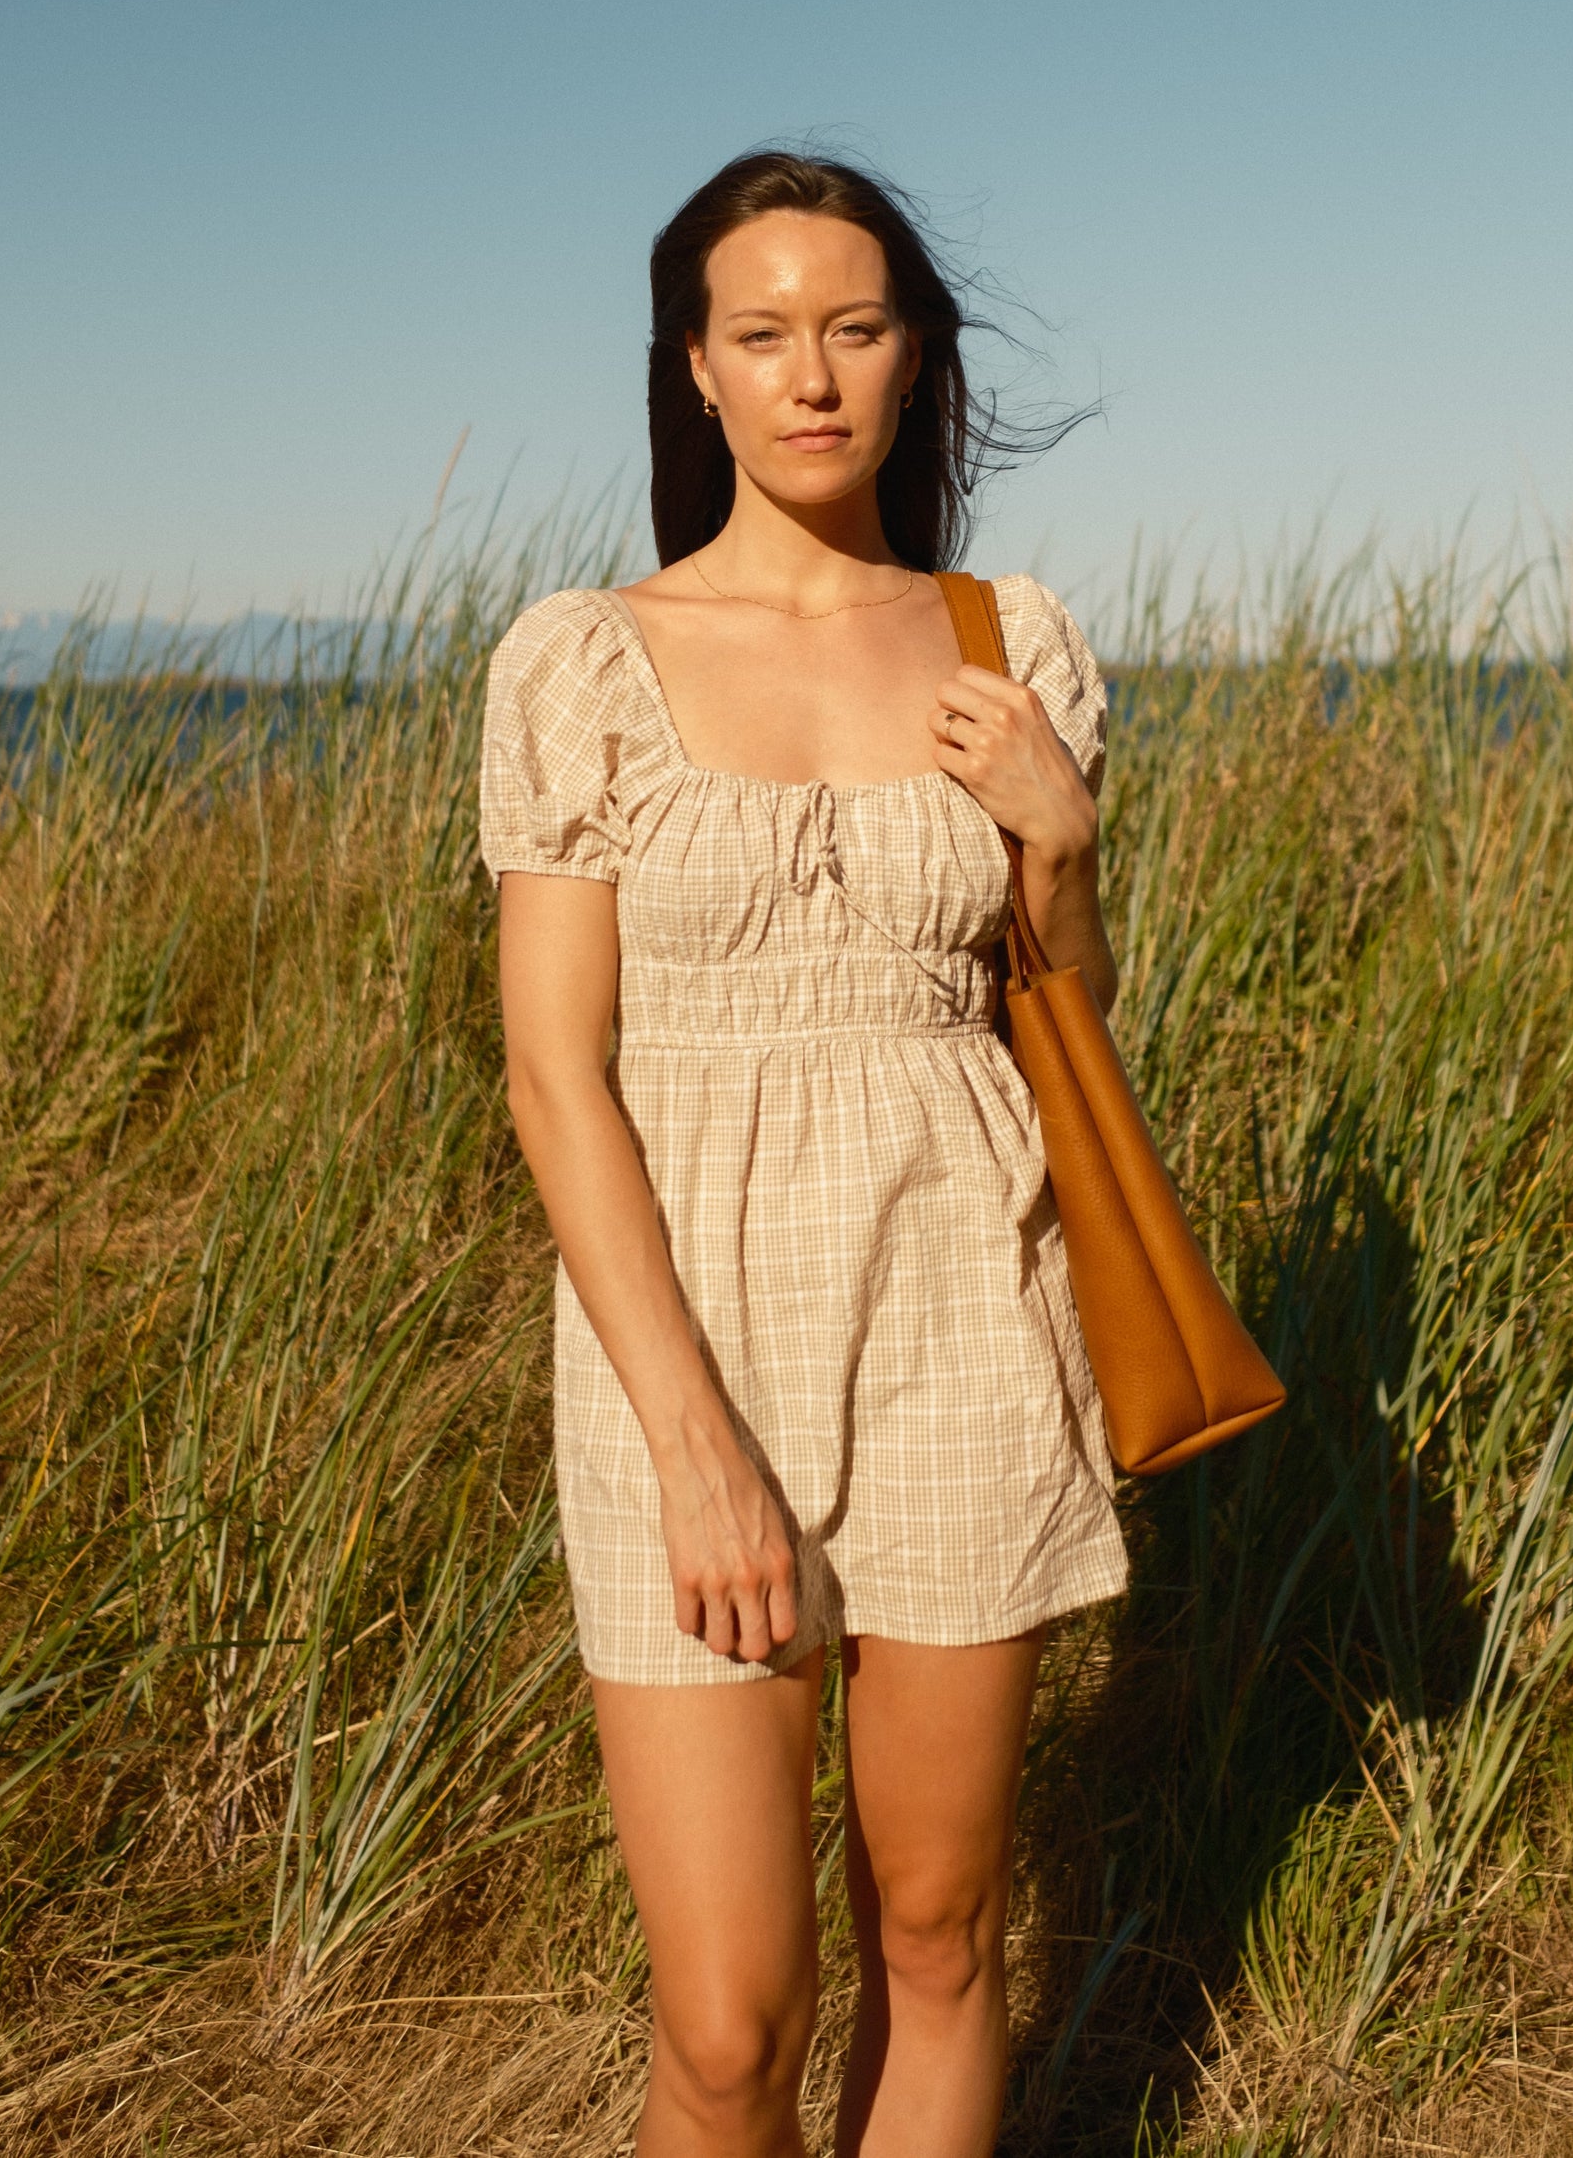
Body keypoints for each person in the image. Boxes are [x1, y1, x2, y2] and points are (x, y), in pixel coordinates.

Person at [480, 150, 1126, 2158]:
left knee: (937, 1937)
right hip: (689, 1349)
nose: (810, 375)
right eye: (762, 334)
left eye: (852, 328)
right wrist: (691, 1444)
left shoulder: (1002, 634)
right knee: (731, 2026)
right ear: (694, 368)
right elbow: (553, 1077)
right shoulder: (582, 657)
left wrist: (1059, 838)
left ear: (913, 359)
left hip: (967, 1312)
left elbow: (1068, 1027)